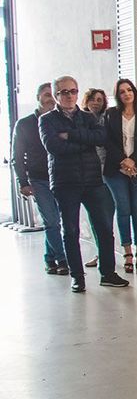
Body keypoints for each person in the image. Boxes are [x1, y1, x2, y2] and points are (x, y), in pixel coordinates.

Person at [38, 76, 129, 292]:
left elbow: (100, 138)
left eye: (73, 91)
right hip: (65, 182)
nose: (70, 96)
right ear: (56, 95)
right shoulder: (47, 120)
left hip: (93, 181)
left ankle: (108, 273)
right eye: (64, 92)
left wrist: (70, 135)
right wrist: (85, 141)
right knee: (70, 231)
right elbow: (54, 148)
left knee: (104, 228)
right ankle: (77, 276)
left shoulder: (88, 117)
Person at [12, 82, 68, 275]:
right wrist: (23, 182)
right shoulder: (24, 124)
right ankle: (62, 259)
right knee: (52, 220)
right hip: (39, 179)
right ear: (38, 98)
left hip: (61, 177)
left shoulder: (61, 120)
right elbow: (17, 156)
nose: (50, 98)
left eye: (52, 94)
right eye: (46, 95)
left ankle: (49, 258)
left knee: (55, 221)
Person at [103, 79, 137, 274]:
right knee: (123, 209)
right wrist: (123, 161)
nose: (127, 94)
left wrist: (133, 160)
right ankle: (126, 252)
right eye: (122, 91)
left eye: (129, 90)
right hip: (116, 170)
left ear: (134, 91)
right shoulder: (110, 114)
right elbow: (106, 141)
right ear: (118, 95)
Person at [82, 87, 111, 268]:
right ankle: (100, 253)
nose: (96, 103)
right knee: (95, 218)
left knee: (106, 217)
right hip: (88, 172)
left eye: (99, 100)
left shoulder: (107, 119)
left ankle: (107, 256)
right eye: (93, 99)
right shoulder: (80, 119)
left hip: (107, 171)